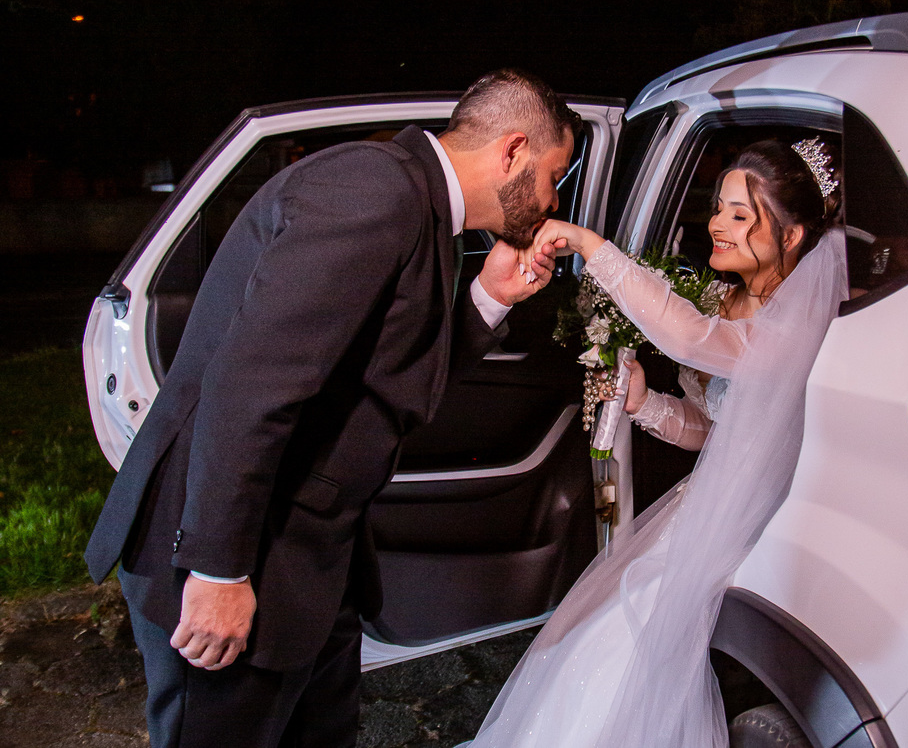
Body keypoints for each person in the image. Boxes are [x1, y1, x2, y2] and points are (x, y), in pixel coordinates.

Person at [83, 69, 581, 748]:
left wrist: (489, 298)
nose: (553, 200)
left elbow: (392, 382)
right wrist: (219, 568)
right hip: (237, 553)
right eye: (553, 175)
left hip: (308, 564)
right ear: (513, 150)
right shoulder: (377, 189)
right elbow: (253, 384)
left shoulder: (420, 209)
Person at [468, 139, 848, 747]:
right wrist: (646, 403)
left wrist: (590, 245)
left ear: (794, 235)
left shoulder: (799, 324)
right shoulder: (726, 299)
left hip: (762, 512)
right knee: (600, 625)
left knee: (627, 631)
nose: (716, 225)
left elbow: (692, 339)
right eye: (718, 208)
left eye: (740, 216)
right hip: (709, 499)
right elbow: (713, 432)